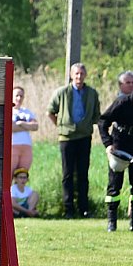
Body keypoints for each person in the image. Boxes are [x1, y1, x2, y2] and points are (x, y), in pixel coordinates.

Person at [47, 63, 101, 219]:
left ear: (86, 75)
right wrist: (61, 125)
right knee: (68, 174)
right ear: (71, 75)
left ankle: (84, 209)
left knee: (83, 174)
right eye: (76, 74)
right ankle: (68, 209)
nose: (79, 76)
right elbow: (50, 111)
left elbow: (97, 115)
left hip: (84, 137)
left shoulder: (92, 93)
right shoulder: (62, 92)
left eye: (82, 74)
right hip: (67, 138)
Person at [98, 76, 133, 232]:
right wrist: (108, 144)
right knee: (114, 186)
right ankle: (112, 222)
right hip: (119, 144)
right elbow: (103, 121)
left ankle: (132, 222)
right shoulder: (122, 103)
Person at [11, 86, 38, 173]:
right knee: (10, 173)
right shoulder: (10, 111)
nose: (19, 98)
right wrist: (27, 126)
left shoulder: (26, 112)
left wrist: (21, 123)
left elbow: (35, 126)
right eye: (17, 95)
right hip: (13, 145)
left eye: (21, 96)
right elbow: (11, 127)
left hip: (26, 147)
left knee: (22, 174)